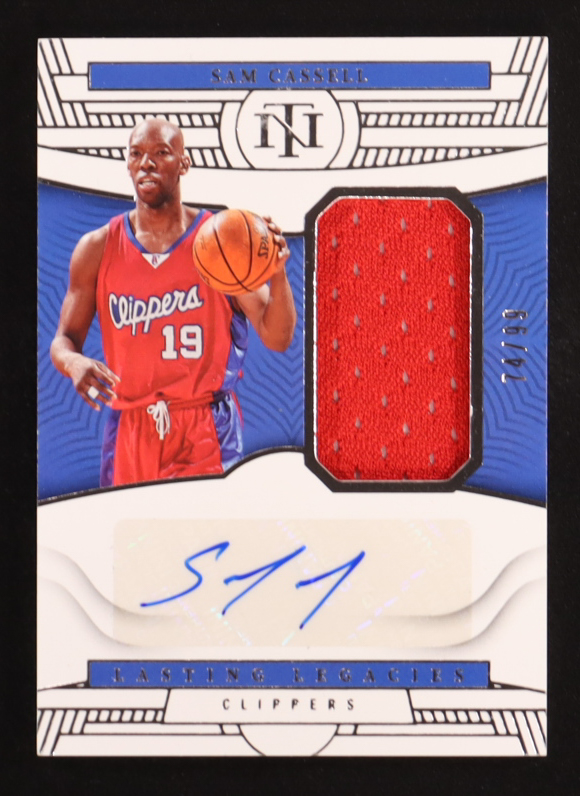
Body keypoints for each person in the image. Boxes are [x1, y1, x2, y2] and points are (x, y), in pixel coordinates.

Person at [50, 118, 297, 487]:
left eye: (161, 153)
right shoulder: (97, 248)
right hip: (130, 427)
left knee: (203, 525)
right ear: (127, 164)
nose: (146, 163)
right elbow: (63, 340)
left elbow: (278, 337)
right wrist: (73, 363)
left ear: (184, 163)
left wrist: (277, 274)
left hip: (204, 426)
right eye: (136, 154)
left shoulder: (219, 241)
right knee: (130, 526)